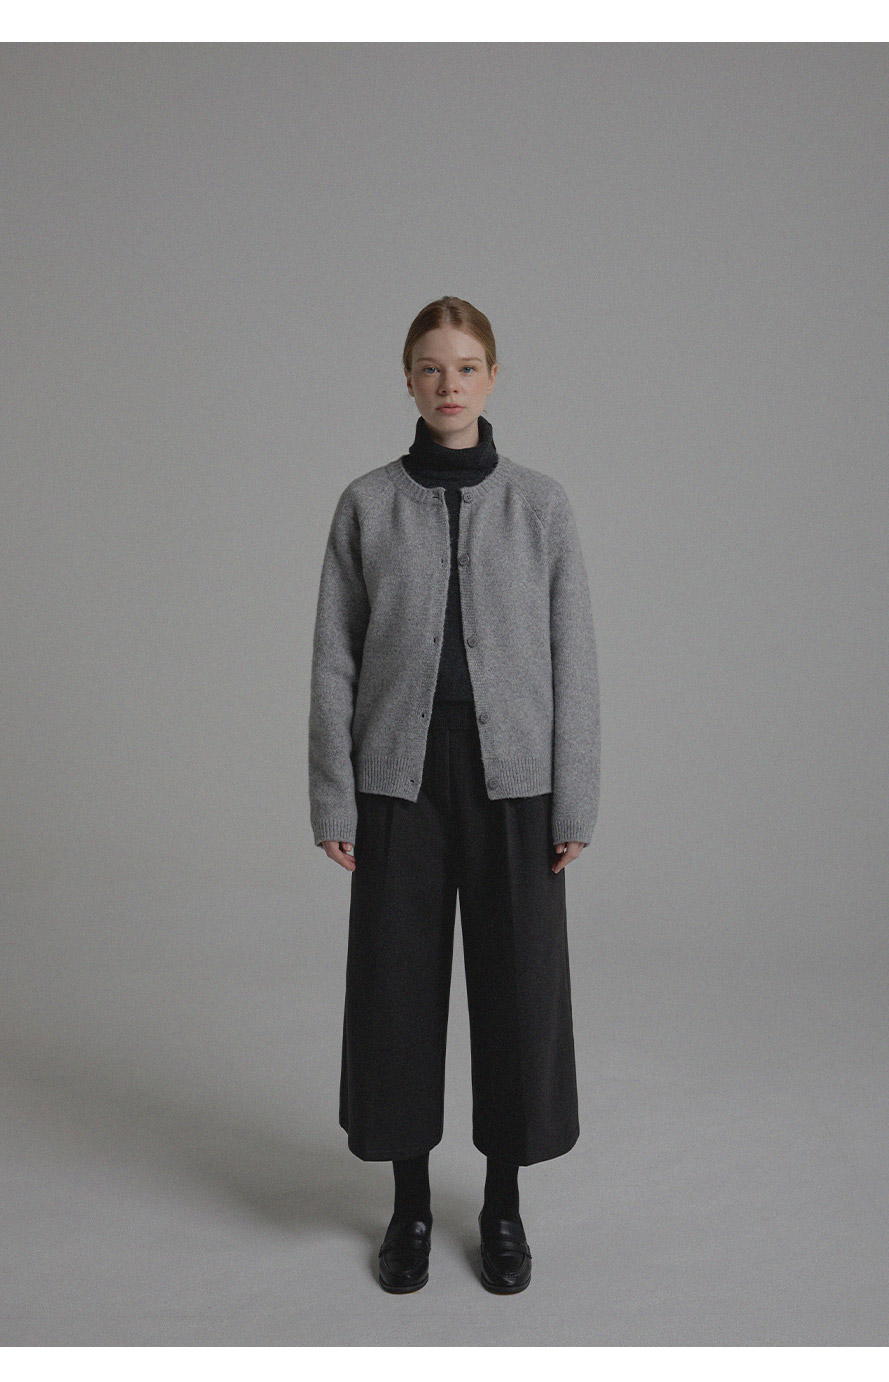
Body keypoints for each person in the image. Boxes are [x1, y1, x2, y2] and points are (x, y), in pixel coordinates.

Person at [308, 295, 601, 1294]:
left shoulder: (540, 505)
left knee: (520, 992)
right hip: (399, 782)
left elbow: (574, 658)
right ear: (408, 378)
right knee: (394, 992)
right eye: (431, 367)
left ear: (492, 377)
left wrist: (574, 799)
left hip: (516, 782)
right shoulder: (366, 505)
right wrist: (336, 798)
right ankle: (409, 1205)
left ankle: (504, 1204)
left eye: (466, 366)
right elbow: (335, 659)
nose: (449, 384)